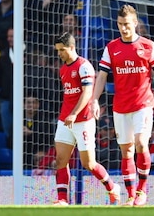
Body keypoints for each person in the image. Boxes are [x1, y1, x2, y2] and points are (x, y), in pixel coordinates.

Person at [92, 5, 154, 206]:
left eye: (127, 24)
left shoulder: (148, 46)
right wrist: (95, 100)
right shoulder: (111, 48)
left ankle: (142, 190)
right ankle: (131, 196)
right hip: (120, 107)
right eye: (120, 24)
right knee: (127, 151)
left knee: (141, 143)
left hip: (143, 104)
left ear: (135, 23)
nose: (124, 28)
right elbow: (102, 75)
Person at [52, 32, 120, 206]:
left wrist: (74, 113)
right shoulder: (62, 69)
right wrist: (68, 115)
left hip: (82, 120)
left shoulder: (84, 66)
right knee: (61, 160)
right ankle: (62, 200)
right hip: (65, 120)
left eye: (62, 50)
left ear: (72, 47)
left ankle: (113, 188)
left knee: (88, 163)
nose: (59, 53)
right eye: (57, 50)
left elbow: (87, 93)